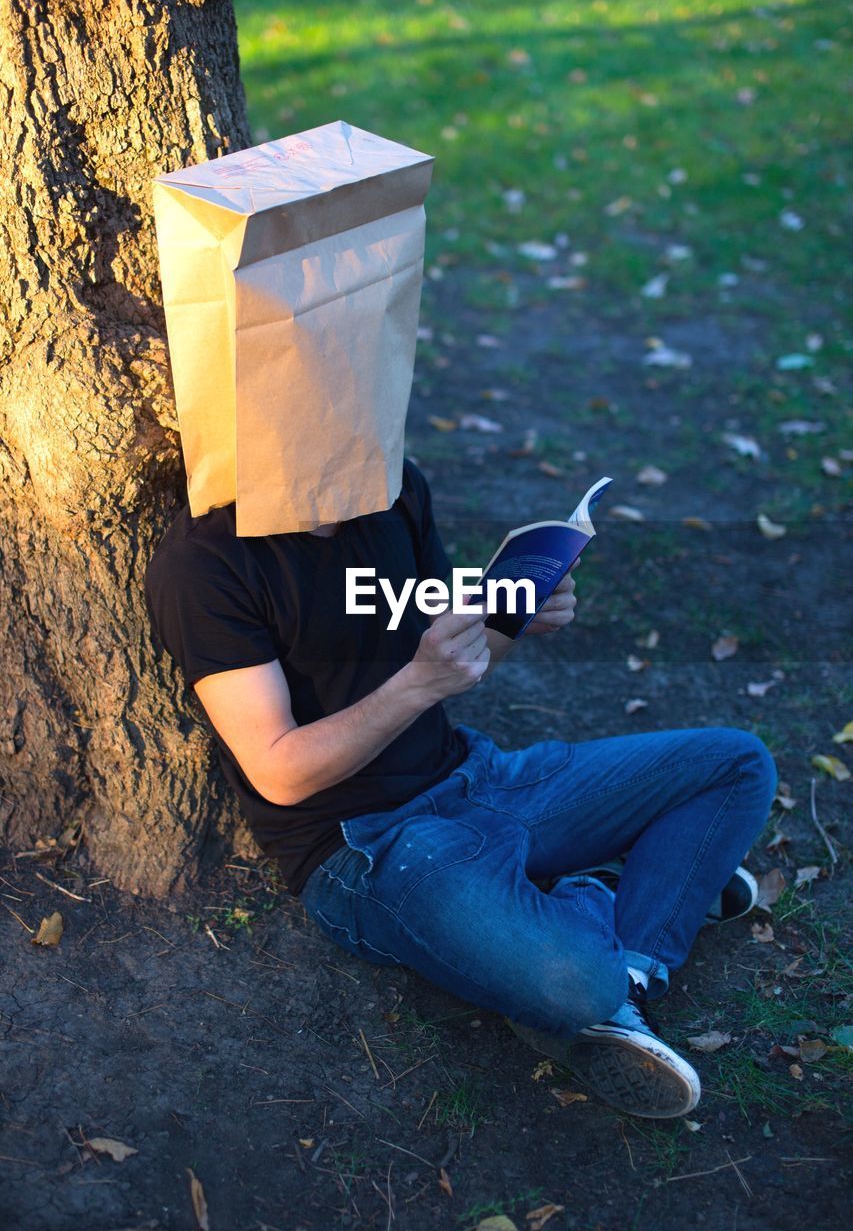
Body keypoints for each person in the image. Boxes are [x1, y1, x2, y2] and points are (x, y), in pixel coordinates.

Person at [145, 456, 777, 1118]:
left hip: (475, 779)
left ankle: (631, 974)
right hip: (367, 849)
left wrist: (512, 620)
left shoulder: (391, 487)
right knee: (575, 985)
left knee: (735, 764)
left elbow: (454, 655)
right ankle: (618, 892)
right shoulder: (205, 562)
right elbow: (277, 771)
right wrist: (418, 682)